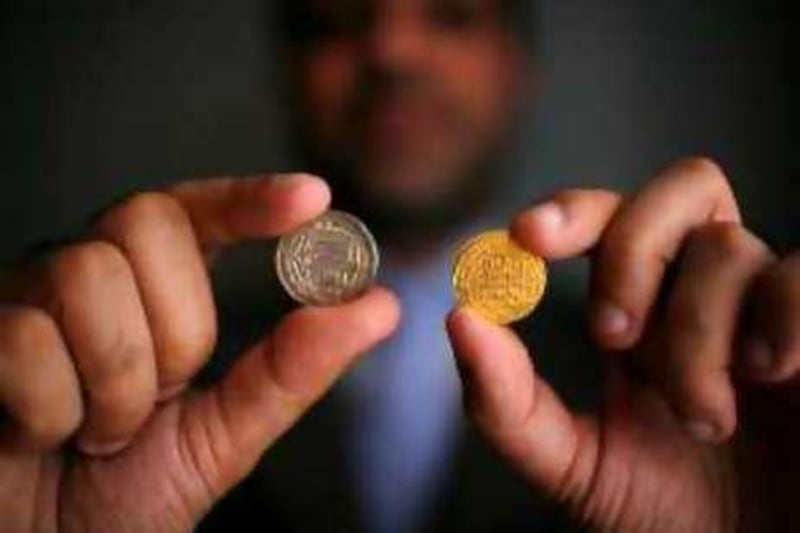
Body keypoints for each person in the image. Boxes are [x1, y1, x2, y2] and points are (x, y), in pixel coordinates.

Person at [0, 1, 798, 532]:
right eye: (333, 20)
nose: (389, 49)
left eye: (450, 12)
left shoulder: (666, 387)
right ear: (285, 70)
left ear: (519, 64)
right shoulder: (133, 397)